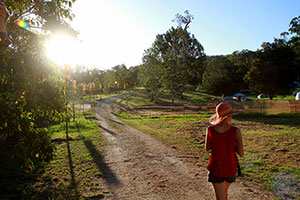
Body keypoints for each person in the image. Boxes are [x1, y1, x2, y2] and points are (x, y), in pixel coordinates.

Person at [205, 102, 244, 200]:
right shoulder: (236, 131)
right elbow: (241, 153)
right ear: (229, 117)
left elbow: (207, 148)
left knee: (220, 197)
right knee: (224, 195)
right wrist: (232, 145)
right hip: (230, 168)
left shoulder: (210, 129)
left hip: (216, 167)